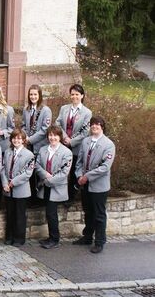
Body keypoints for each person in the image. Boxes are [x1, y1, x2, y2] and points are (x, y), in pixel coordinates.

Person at [73, 116, 115, 254]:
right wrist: (79, 175)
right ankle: (87, 237)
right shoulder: (85, 141)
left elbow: (105, 167)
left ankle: (100, 241)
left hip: (99, 186)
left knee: (99, 214)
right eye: (93, 124)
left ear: (102, 127)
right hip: (85, 185)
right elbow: (79, 162)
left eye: (98, 125)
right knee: (88, 212)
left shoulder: (108, 145)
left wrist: (87, 177)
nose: (95, 127)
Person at [35, 125, 73, 249]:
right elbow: (37, 165)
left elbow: (64, 173)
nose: (52, 138)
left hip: (56, 187)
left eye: (55, 135)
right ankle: (51, 237)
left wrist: (49, 180)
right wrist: (45, 174)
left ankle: (55, 239)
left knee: (51, 214)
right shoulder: (43, 149)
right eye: (50, 135)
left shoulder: (66, 152)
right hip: (45, 187)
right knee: (49, 213)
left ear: (60, 137)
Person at [55, 84, 92, 206]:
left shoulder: (87, 113)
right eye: (72, 94)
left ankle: (70, 197)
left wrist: (72, 141)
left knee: (74, 172)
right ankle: (60, 196)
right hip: (63, 145)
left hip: (77, 147)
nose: (74, 96)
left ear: (82, 95)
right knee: (62, 171)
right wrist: (65, 137)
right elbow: (58, 123)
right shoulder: (64, 108)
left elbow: (85, 131)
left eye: (77, 94)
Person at [0, 129, 35, 247]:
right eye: (14, 138)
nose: (16, 140)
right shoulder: (8, 152)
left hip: (21, 190)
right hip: (7, 190)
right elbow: (3, 169)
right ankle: (9, 236)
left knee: (19, 215)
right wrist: (5, 183)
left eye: (19, 138)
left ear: (23, 140)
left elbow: (27, 174)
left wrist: (12, 183)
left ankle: (19, 238)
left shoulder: (29, 154)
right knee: (9, 214)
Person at [21, 84, 52, 206]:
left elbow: (45, 130)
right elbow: (23, 125)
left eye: (35, 94)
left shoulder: (45, 110)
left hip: (40, 146)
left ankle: (40, 199)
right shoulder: (26, 109)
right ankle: (31, 198)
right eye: (31, 94)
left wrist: (30, 139)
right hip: (28, 146)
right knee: (30, 172)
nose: (33, 96)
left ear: (39, 96)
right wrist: (24, 137)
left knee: (39, 172)